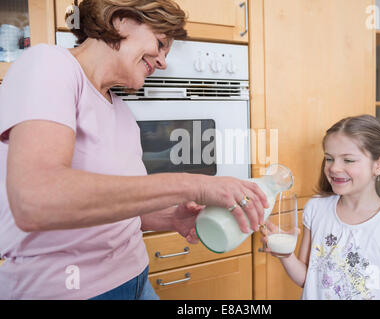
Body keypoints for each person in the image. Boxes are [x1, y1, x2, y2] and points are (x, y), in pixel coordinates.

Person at [0, 0, 269, 300]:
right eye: (161, 43)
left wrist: (169, 218)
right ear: (122, 19)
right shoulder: (49, 64)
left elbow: (110, 208)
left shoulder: (122, 113)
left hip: (138, 279)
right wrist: (194, 184)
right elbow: (35, 200)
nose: (164, 61)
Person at [262, 114, 380, 300]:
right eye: (329, 159)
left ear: (379, 165)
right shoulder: (316, 209)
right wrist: (285, 255)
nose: (334, 168)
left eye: (348, 160)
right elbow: (308, 280)